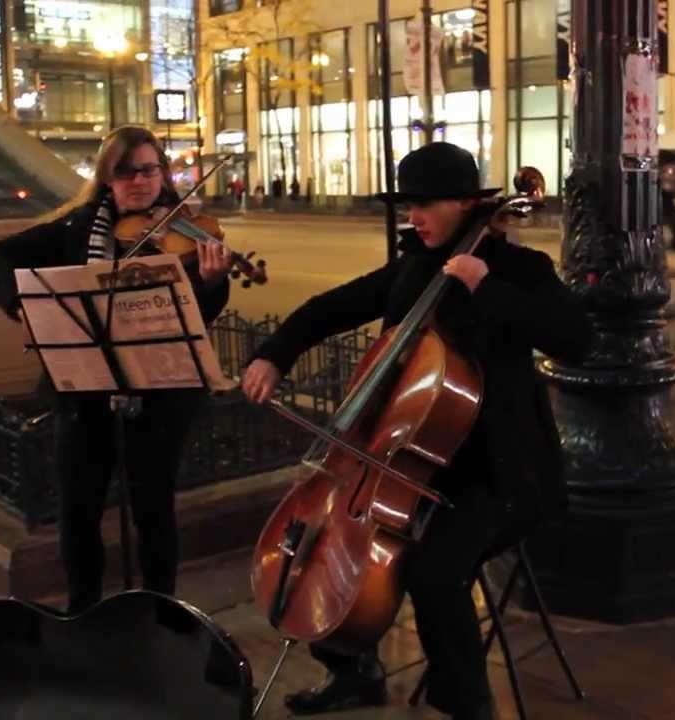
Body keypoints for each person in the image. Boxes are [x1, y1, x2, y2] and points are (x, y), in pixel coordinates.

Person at [241, 142, 591, 720]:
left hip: (501, 472)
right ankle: (354, 671)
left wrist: (486, 286)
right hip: (413, 463)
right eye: (409, 206)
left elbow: (576, 339)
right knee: (345, 548)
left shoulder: (519, 269)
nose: (414, 217)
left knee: (433, 572)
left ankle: (467, 705)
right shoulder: (414, 266)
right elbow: (331, 307)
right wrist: (275, 354)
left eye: (425, 205)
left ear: (466, 203)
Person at [0, 126, 234, 614]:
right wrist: (19, 306)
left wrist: (212, 281)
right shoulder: (77, 228)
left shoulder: (189, 229)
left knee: (154, 509)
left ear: (163, 172)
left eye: (149, 169)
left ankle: (159, 613)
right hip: (85, 389)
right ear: (107, 179)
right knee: (79, 510)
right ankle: (83, 611)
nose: (139, 181)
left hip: (161, 390)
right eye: (125, 171)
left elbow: (200, 313)